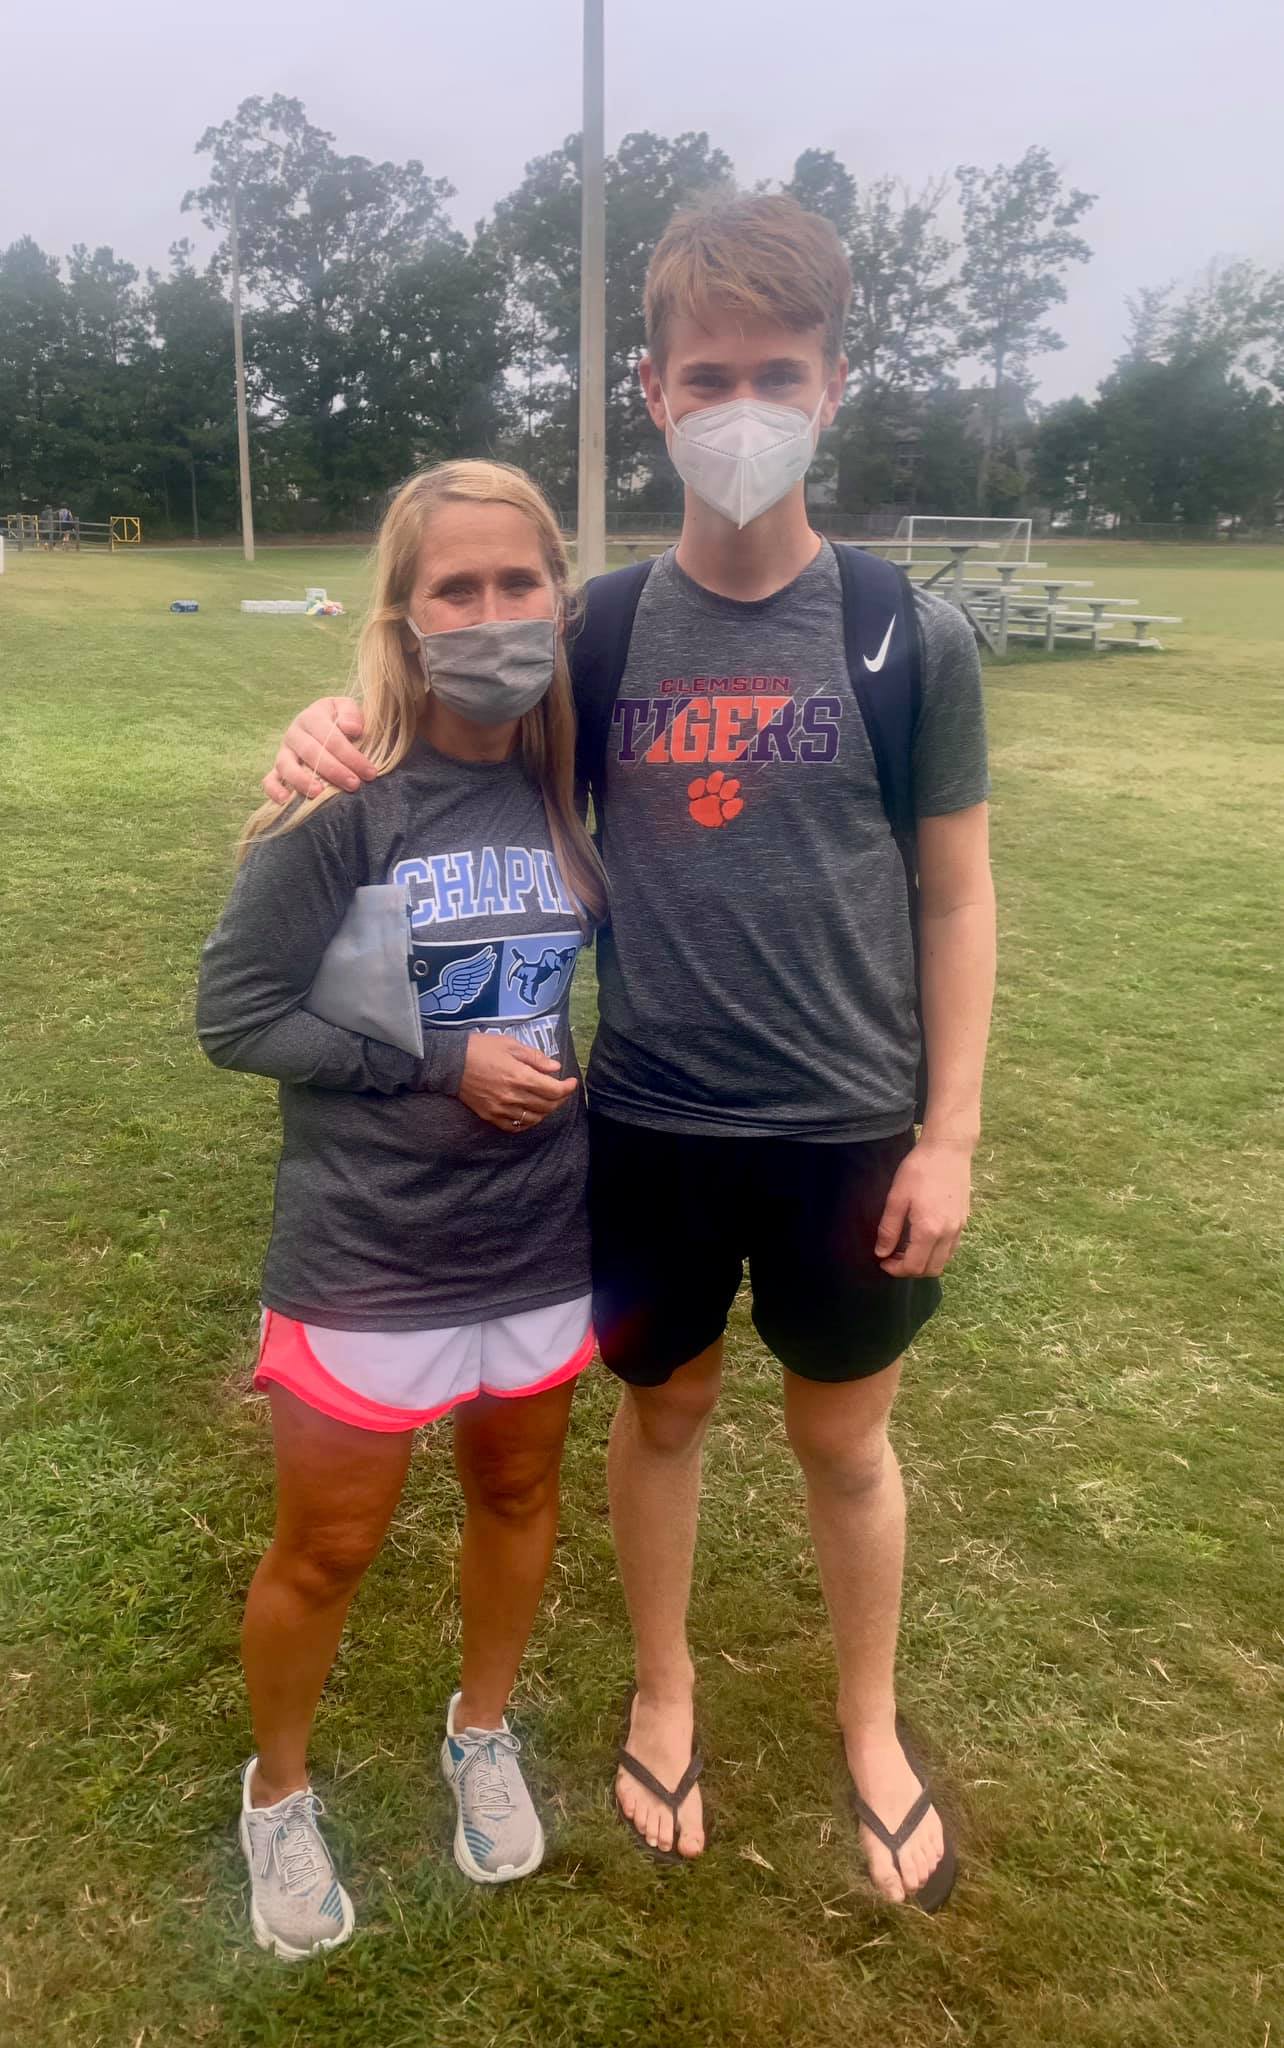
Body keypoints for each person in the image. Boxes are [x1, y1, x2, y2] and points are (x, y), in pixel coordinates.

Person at [263, 195, 996, 1912]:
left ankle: (869, 1724)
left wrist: (948, 1134)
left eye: (779, 375)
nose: (744, 407)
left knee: (845, 1446)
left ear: (833, 384)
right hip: (650, 1121)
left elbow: (956, 896)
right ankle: (664, 1692)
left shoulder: (905, 632)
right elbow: (432, 741)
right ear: (653, 393)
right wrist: (319, 724)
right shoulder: (591, 635)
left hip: (849, 1128)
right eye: (708, 376)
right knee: (663, 1417)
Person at [197, 459, 606, 1959]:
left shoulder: (574, 782)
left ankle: (479, 1731)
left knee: (518, 1494)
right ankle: (279, 1794)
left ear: (558, 599)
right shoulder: (341, 796)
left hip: (541, 1237)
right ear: (405, 615)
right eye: (457, 588)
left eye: (518, 583)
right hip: (369, 1247)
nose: (492, 614)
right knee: (327, 1548)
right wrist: (443, 1064)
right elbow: (237, 1015)